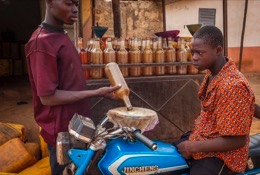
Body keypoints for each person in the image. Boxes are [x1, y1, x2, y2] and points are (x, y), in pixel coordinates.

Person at [25, 0, 120, 174]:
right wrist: (96, 92)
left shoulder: (60, 35)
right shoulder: (41, 43)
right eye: (69, 4)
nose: (75, 9)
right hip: (62, 134)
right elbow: (48, 97)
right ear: (50, 2)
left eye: (76, 4)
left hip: (76, 128)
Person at [176, 26, 255, 175]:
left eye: (200, 53)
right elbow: (240, 104)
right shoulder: (213, 73)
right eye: (192, 52)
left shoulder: (232, 85)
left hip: (223, 156)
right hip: (204, 136)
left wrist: (190, 147)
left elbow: (237, 141)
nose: (194, 57)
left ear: (218, 50)